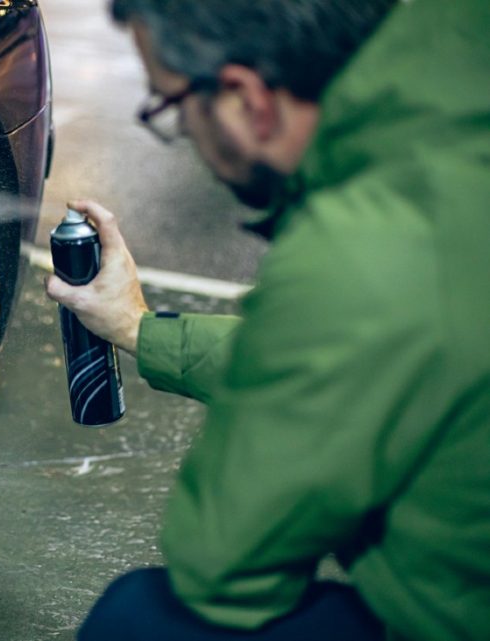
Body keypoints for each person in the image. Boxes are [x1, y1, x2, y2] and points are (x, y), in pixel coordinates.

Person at [45, 1, 490, 640]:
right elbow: (368, 351)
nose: (185, 136)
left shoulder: (372, 243)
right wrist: (142, 330)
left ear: (247, 99)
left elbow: (225, 568)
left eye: (170, 108)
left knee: (143, 620)